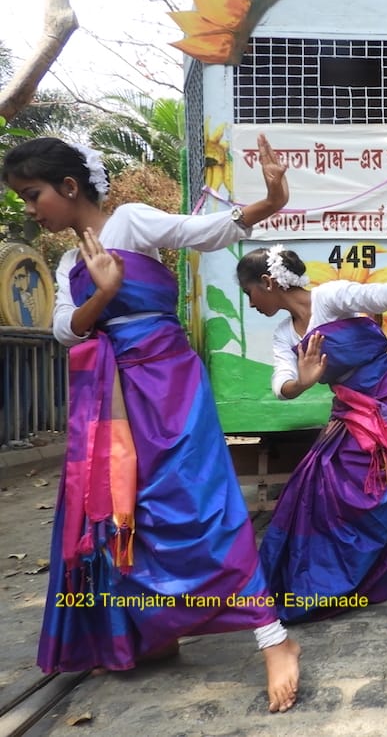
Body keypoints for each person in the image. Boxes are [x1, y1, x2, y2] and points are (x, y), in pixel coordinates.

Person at [2, 135, 300, 712]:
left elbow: (208, 232)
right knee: (124, 511)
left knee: (198, 505)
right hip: (112, 398)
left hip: (169, 385)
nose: (30, 209)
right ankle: (155, 630)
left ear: (69, 187)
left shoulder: (131, 223)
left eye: (32, 194)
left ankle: (273, 637)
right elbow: (67, 329)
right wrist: (104, 292)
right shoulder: (69, 263)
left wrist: (271, 196)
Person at [234, 246, 387, 621]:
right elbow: (282, 383)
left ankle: (359, 579)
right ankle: (320, 581)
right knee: (314, 486)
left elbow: (378, 295)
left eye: (249, 293)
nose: (250, 304)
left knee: (378, 494)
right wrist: (303, 382)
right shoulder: (284, 335)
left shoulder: (328, 299)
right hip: (351, 410)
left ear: (267, 283)